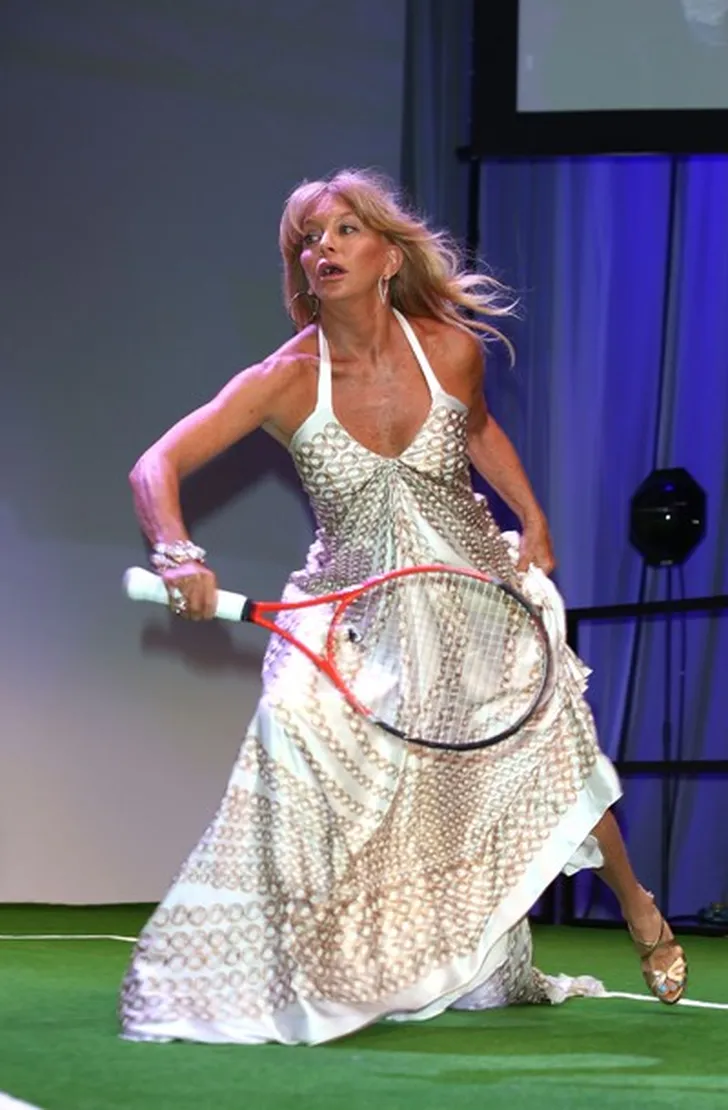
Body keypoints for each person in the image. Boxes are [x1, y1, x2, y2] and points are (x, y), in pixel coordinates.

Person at [119, 169, 686, 1045]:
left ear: (388, 256)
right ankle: (306, 962)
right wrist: (177, 552)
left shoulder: (449, 351)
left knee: (550, 758)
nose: (324, 248)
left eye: (346, 230)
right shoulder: (282, 380)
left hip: (470, 596)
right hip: (349, 610)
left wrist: (531, 515)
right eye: (310, 239)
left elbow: (478, 427)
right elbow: (154, 466)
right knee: (289, 732)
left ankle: (639, 907)